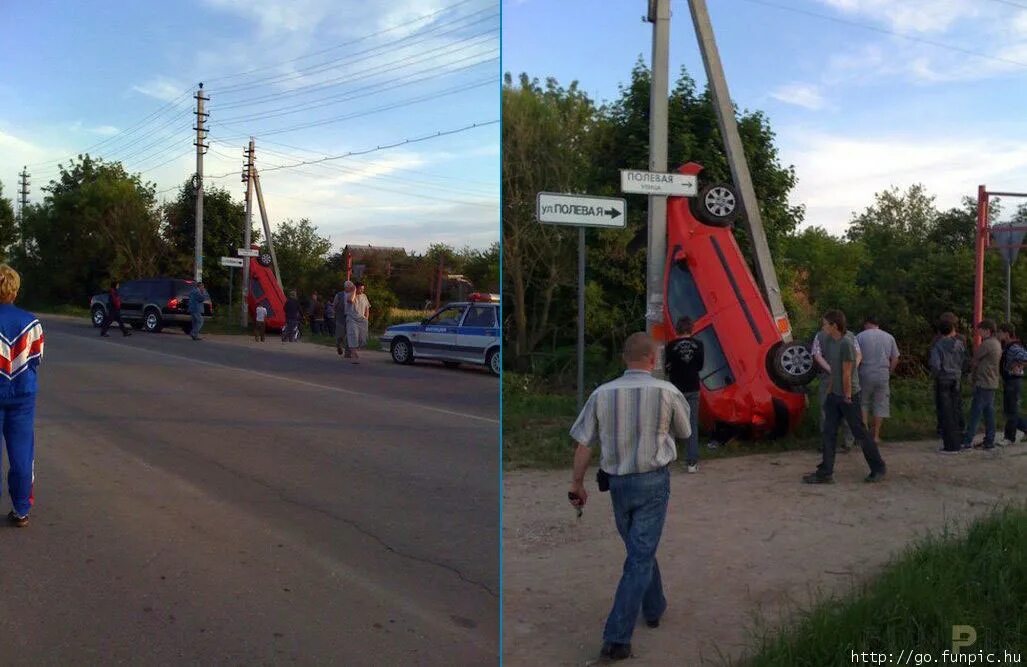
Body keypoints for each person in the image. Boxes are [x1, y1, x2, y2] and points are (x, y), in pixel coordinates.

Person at [567, 332, 691, 662]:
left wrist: (577, 484)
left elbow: (584, 444)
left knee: (639, 549)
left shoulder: (601, 394)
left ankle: (653, 607)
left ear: (624, 358)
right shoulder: (668, 392)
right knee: (640, 554)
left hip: (618, 485)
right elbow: (686, 432)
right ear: (654, 360)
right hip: (653, 482)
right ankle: (617, 639)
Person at [803, 310, 886, 484]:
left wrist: (847, 396)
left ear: (834, 326)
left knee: (860, 433)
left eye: (826, 324)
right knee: (829, 432)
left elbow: (847, 373)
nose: (823, 327)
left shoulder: (846, 343)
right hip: (835, 394)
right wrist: (830, 391)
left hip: (848, 395)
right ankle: (825, 472)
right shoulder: (829, 341)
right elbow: (834, 370)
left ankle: (878, 467)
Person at [0, 265, 44, 526]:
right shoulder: (31, 322)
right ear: (15, 290)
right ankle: (21, 509)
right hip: (22, 396)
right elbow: (36, 359)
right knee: (21, 454)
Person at [664, 316, 704, 473]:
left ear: (678, 329)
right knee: (692, 423)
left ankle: (667, 458)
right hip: (693, 387)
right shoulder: (698, 345)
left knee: (670, 424)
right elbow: (700, 365)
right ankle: (692, 462)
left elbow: (667, 367)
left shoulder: (670, 346)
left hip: (676, 389)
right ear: (691, 328)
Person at [811, 327, 861, 450]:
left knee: (826, 410)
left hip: (828, 378)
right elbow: (858, 354)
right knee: (847, 409)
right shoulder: (851, 335)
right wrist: (851, 368)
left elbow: (817, 355)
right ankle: (848, 441)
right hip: (847, 377)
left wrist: (830, 369)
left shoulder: (820, 336)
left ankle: (827, 443)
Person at [855, 316, 900, 442]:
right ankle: (875, 435)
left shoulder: (860, 336)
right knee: (880, 404)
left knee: (863, 403)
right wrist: (889, 371)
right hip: (883, 373)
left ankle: (864, 435)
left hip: (865, 372)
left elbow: (855, 356)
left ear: (867, 324)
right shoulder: (889, 337)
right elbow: (895, 357)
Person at [962, 319, 1002, 450]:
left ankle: (967, 440)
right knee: (989, 413)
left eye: (980, 329)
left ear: (987, 330)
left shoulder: (987, 344)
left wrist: (971, 376)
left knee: (975, 412)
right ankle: (989, 440)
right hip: (992, 382)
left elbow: (975, 360)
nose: (978, 332)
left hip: (983, 382)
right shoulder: (996, 343)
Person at [930, 320, 966, 454]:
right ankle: (959, 440)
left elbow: (935, 364)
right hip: (956, 379)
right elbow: (964, 360)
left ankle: (950, 445)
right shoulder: (959, 344)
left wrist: (938, 374)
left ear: (940, 332)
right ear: (952, 330)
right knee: (956, 410)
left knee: (946, 413)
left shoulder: (938, 346)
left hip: (943, 379)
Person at [996, 322, 1027, 446]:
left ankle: (1009, 437)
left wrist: (1017, 365)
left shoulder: (1014, 347)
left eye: (1000, 332)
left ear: (1006, 333)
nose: (998, 335)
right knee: (1009, 410)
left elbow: (1025, 357)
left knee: (1011, 410)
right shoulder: (1008, 346)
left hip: (1013, 381)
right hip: (1010, 381)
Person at [347, 282, 371, 362]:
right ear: (356, 288)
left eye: (363, 289)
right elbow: (350, 300)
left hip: (362, 320)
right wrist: (353, 290)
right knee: (353, 335)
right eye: (361, 289)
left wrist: (366, 318)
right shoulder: (350, 295)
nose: (362, 290)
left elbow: (367, 307)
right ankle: (353, 354)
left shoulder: (364, 296)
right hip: (352, 319)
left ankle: (352, 349)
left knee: (362, 339)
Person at [332, 284, 350, 356]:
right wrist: (335, 314)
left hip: (349, 317)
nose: (349, 288)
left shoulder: (353, 294)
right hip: (340, 317)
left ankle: (347, 353)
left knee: (349, 335)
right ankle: (339, 345)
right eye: (348, 287)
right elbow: (334, 305)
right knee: (340, 334)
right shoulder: (339, 295)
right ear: (345, 287)